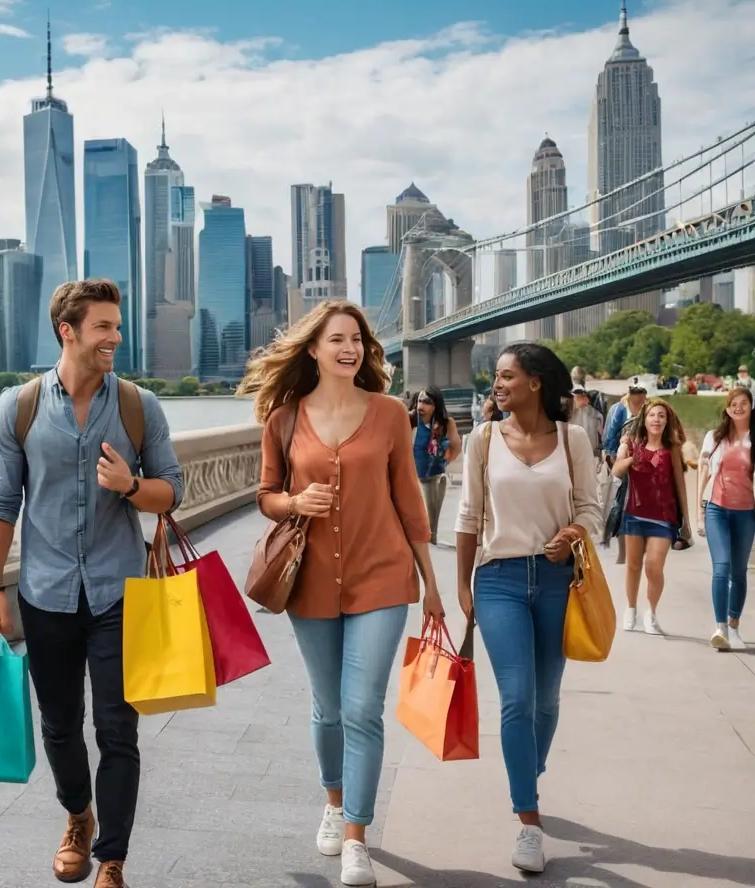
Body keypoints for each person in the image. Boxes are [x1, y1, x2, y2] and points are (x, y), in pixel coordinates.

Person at [0, 279, 184, 888]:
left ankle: (112, 858)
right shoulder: (16, 406)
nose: (115, 338)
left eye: (118, 327)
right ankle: (78, 814)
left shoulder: (139, 406)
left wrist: (129, 485)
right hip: (45, 593)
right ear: (67, 331)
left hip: (121, 591)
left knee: (118, 728)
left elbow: (172, 490)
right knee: (60, 724)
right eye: (103, 328)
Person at [239, 299, 443, 888]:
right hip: (310, 584)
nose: (349, 347)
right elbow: (266, 496)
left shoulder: (387, 415)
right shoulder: (282, 418)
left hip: (382, 575)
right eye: (337, 339)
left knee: (361, 709)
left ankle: (357, 835)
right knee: (328, 709)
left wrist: (430, 582)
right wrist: (294, 503)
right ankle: (333, 801)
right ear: (313, 350)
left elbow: (409, 500)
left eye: (357, 339)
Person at [455, 343, 601, 875]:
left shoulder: (573, 438)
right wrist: (462, 587)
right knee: (516, 699)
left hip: (559, 581)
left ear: (536, 382)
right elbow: (468, 515)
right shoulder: (483, 438)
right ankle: (529, 822)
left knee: (546, 700)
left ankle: (527, 770)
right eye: (496, 376)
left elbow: (591, 506)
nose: (498, 383)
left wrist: (574, 532)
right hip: (499, 580)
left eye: (507, 375)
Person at [612, 399, 689, 635]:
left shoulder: (672, 449)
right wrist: (628, 458)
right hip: (634, 514)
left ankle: (651, 614)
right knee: (633, 565)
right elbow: (616, 470)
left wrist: (685, 520)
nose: (657, 419)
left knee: (654, 566)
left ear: (667, 422)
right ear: (644, 419)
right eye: (653, 415)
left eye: (662, 416)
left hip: (663, 517)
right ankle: (631, 609)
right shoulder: (631, 444)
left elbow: (680, 484)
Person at [699, 387, 755, 650]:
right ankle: (720, 627)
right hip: (716, 509)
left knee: (739, 572)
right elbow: (704, 473)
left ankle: (734, 625)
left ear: (751, 407)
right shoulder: (715, 437)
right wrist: (699, 510)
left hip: (746, 512)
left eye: (744, 403)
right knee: (721, 567)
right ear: (727, 407)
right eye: (734, 403)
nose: (739, 407)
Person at [409, 386, 462, 544]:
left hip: (435, 477)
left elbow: (456, 445)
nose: (421, 406)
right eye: (419, 401)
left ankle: (432, 541)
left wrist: (446, 461)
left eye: (426, 402)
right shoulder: (410, 420)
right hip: (414, 477)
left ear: (435, 405)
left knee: (432, 520)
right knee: (419, 519)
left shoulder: (445, 423)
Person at [601, 383, 648, 561]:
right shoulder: (618, 409)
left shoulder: (649, 407)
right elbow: (609, 436)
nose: (639, 398)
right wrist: (614, 460)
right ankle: (619, 545)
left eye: (641, 394)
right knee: (621, 501)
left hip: (644, 460)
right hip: (623, 459)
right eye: (635, 394)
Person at [569, 386, 603, 459]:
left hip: (590, 450)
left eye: (582, 396)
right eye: (578, 397)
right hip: (573, 449)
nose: (582, 400)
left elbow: (601, 428)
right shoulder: (567, 412)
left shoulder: (592, 412)